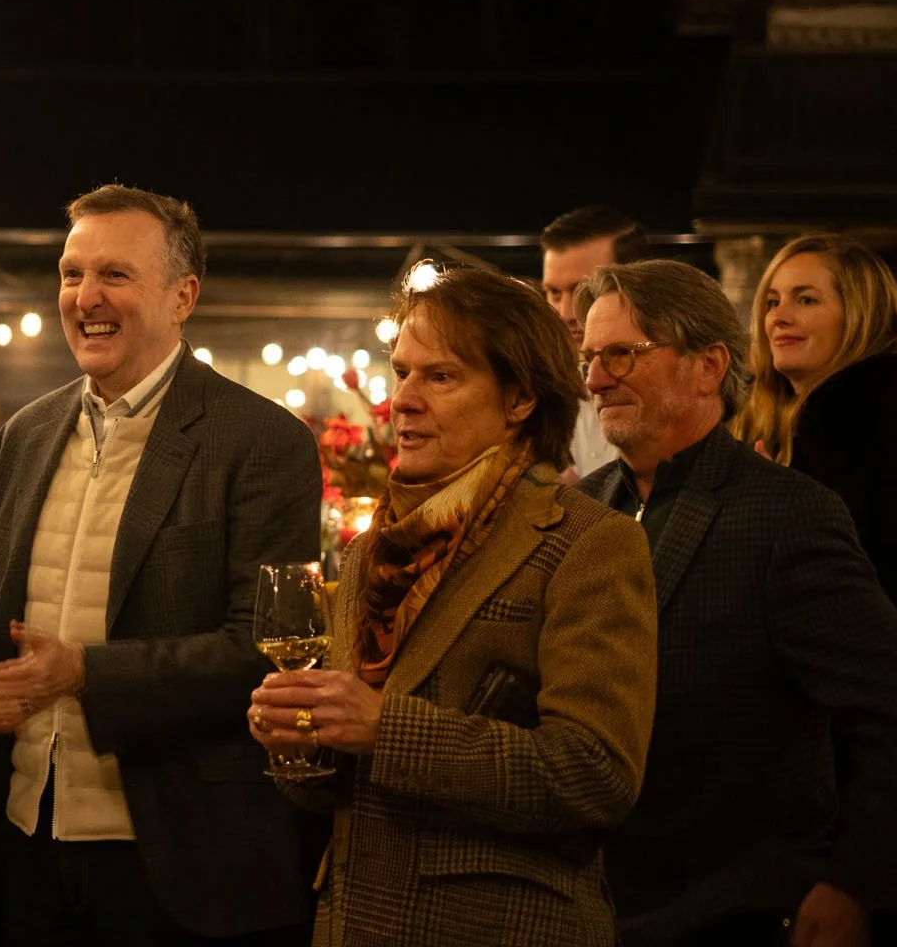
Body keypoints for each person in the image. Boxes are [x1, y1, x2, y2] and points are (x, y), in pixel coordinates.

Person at [0, 184, 325, 945]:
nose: (85, 298)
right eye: (72, 274)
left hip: (179, 857)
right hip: (25, 836)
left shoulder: (260, 441)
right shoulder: (25, 434)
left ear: (183, 297)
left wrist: (83, 672)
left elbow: (263, 652)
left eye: (115, 274)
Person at [248, 265, 657, 946]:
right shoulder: (373, 552)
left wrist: (385, 727)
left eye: (440, 376)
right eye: (401, 372)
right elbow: (346, 786)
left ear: (519, 398)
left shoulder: (589, 542)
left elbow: (597, 773)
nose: (402, 400)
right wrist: (304, 743)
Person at [577, 260, 897, 945]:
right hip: (590, 905)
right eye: (588, 358)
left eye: (622, 354)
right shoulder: (580, 509)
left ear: (709, 366)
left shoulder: (786, 513)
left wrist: (855, 882)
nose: (594, 379)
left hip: (734, 909)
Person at [734, 233, 897, 633]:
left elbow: (882, 587)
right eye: (772, 302)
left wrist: (779, 508)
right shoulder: (760, 425)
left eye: (806, 300)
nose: (779, 317)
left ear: (859, 315)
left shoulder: (892, 428)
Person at [539, 205, 647, 481]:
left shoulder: (670, 390)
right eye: (554, 292)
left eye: (583, 290)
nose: (565, 313)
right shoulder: (537, 395)